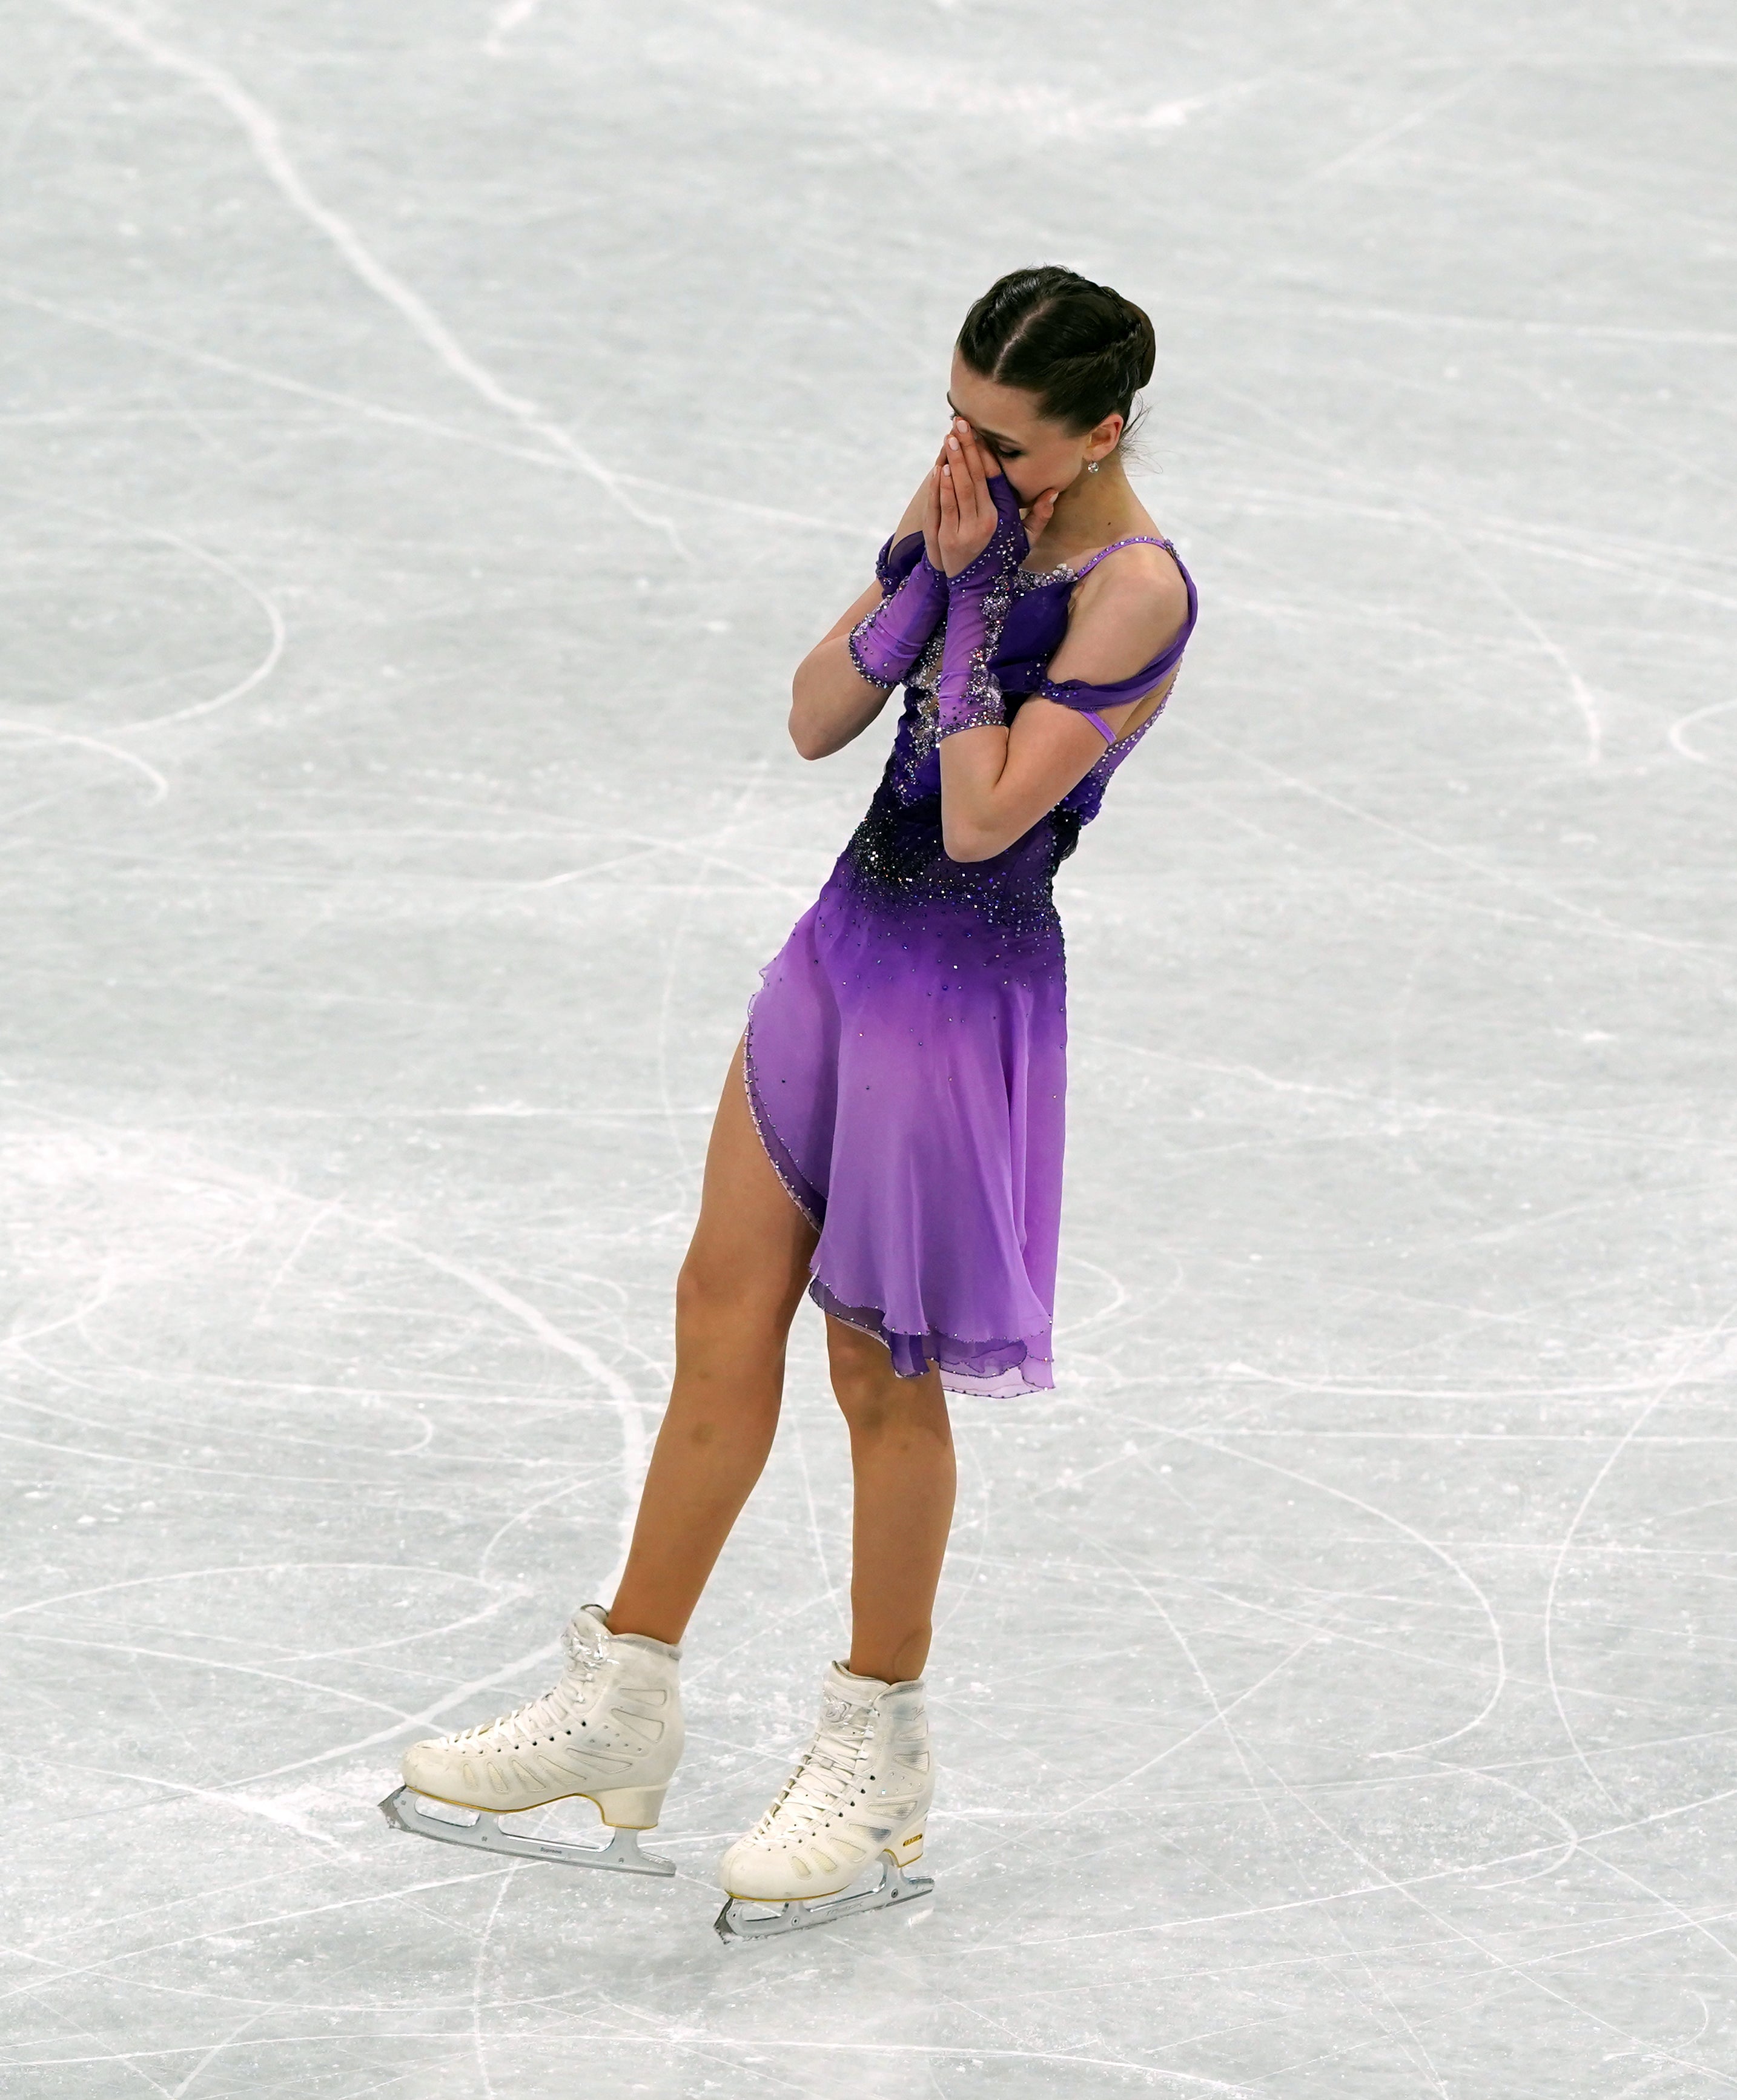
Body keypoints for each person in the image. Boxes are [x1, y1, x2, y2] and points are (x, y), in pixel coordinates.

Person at [379, 265, 1200, 1935]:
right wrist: (920, 572)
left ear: (1101, 431)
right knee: (716, 1307)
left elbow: (981, 820)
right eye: (951, 417)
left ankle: (877, 1745)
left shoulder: (1133, 589)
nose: (963, 453)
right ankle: (625, 1696)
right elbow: (818, 713)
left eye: (1002, 436)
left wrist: (969, 601)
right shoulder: (974, 508)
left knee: (876, 1369)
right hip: (833, 958)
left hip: (954, 997)